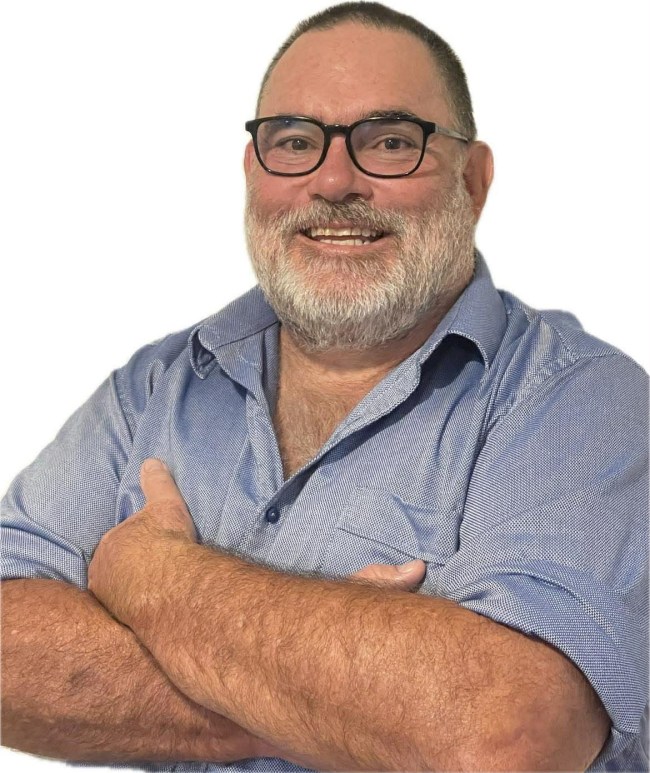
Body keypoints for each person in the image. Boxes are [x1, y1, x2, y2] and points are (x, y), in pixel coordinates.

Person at [1, 2, 647, 771]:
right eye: (295, 142)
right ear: (253, 172)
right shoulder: (155, 388)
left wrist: (152, 575)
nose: (334, 181)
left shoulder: (577, 401)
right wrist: (335, 699)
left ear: (473, 181)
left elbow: (507, 737)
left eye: (391, 142)